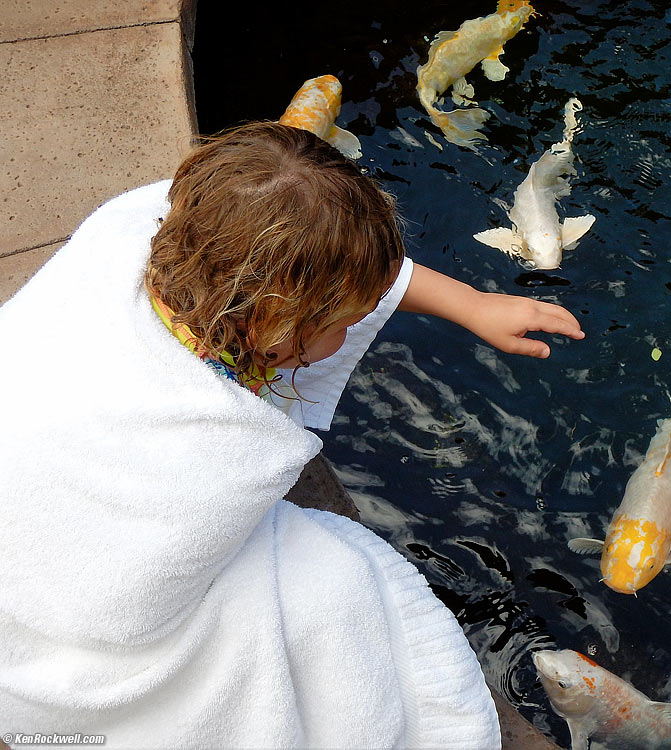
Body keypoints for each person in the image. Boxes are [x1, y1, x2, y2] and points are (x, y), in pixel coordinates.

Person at [0, 122, 584, 748]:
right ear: (272, 324)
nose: (353, 334)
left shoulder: (158, 225)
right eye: (344, 324)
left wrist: (473, 304)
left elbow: (349, 269)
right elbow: (129, 597)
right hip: (61, 612)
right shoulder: (213, 453)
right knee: (333, 590)